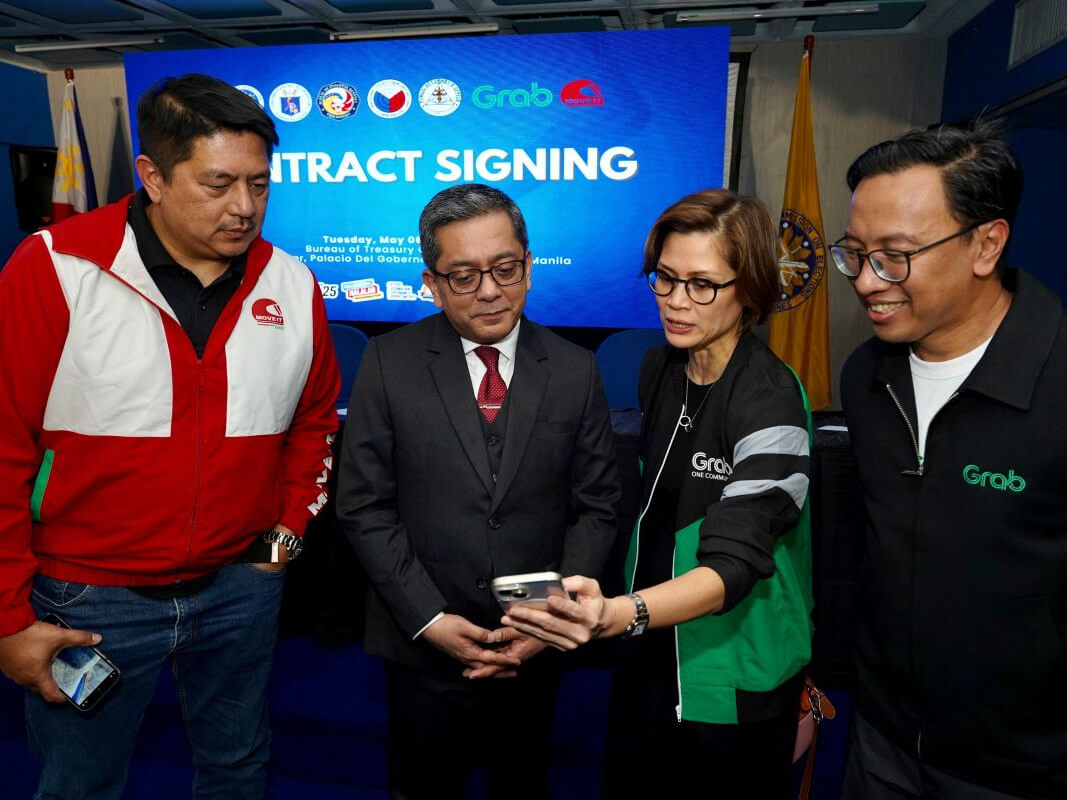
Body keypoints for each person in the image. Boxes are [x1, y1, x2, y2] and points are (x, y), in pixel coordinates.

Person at [0, 74, 339, 799]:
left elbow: (313, 423)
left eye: (259, 183)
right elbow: (2, 448)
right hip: (87, 597)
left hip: (239, 587)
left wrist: (284, 537)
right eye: (218, 184)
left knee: (238, 766)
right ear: (152, 176)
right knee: (80, 783)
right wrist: (6, 618)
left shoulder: (291, 281)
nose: (243, 207)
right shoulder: (55, 268)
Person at [504, 188, 814, 799]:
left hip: (729, 673)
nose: (675, 301)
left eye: (702, 284)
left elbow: (734, 562)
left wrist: (619, 614)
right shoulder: (660, 370)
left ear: (748, 290)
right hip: (647, 651)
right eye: (665, 278)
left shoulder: (770, 400)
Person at [336, 183, 619, 800]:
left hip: (535, 642)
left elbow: (597, 504)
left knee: (524, 782)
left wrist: (550, 622)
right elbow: (362, 505)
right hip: (424, 641)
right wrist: (431, 620)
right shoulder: (388, 363)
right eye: (462, 276)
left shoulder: (575, 368)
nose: (489, 290)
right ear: (431, 283)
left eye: (504, 268)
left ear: (528, 267)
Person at [834, 121, 1066, 799]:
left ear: (985, 244)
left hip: (1021, 771)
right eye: (854, 253)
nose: (867, 281)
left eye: (896, 255)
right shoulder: (864, 377)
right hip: (878, 741)